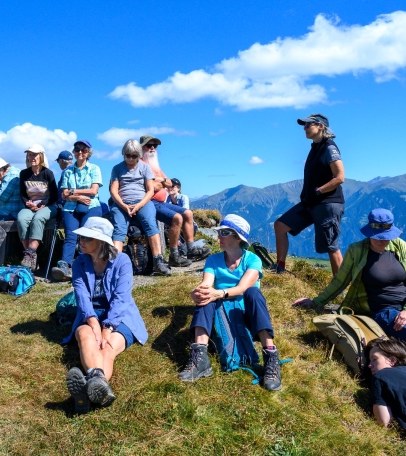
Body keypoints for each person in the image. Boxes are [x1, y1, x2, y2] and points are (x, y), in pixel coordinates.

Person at [178, 214, 282, 391]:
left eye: (225, 232)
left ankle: (271, 357)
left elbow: (242, 288)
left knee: (253, 293)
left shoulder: (253, 260)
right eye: (219, 232)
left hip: (246, 314)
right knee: (206, 297)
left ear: (238, 237)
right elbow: (206, 283)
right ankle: (200, 358)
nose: (219, 236)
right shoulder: (213, 260)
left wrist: (218, 293)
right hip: (221, 313)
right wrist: (197, 292)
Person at [64, 217, 148, 413]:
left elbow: (122, 297)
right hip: (90, 314)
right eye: (81, 237)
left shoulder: (122, 260)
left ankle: (87, 392)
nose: (81, 241)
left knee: (107, 348)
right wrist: (93, 322)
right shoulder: (79, 262)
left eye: (87, 238)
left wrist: (108, 327)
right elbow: (81, 294)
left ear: (101, 241)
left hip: (121, 316)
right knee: (86, 336)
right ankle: (97, 387)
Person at [293, 209, 406, 340]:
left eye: (385, 237)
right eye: (376, 236)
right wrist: (316, 302)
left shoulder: (401, 247)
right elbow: (340, 281)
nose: (380, 240)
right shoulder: (356, 251)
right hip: (383, 311)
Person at [274, 114, 344, 275]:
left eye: (308, 125)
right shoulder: (315, 147)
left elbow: (340, 177)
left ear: (320, 126)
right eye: (303, 126)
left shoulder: (329, 148)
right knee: (280, 226)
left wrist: (319, 190)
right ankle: (280, 268)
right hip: (310, 203)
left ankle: (339, 287)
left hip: (327, 204)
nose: (304, 128)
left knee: (331, 246)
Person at [140, 135, 211, 267]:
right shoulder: (141, 164)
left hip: (162, 202)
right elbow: (152, 187)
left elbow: (169, 182)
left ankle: (191, 249)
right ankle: (174, 255)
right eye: (148, 145)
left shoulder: (155, 165)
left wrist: (159, 180)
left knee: (188, 213)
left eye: (154, 146)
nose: (152, 148)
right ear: (141, 148)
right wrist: (161, 182)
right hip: (150, 203)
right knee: (177, 218)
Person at [109, 139, 171, 276]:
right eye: (128, 156)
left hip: (142, 201)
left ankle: (158, 260)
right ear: (123, 154)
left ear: (138, 155)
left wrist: (139, 205)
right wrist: (124, 206)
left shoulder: (144, 168)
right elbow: (113, 190)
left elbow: (150, 190)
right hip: (121, 203)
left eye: (134, 156)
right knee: (119, 230)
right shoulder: (117, 169)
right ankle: (115, 265)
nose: (130, 159)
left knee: (150, 225)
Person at [52, 141, 103, 281]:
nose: (80, 152)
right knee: (70, 236)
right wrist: (79, 197)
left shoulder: (94, 168)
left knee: (85, 235)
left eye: (84, 150)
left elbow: (93, 191)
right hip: (70, 207)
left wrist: (73, 192)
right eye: (77, 149)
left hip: (91, 206)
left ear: (88, 152)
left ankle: (83, 265)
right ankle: (64, 266)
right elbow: (63, 195)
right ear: (74, 152)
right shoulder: (67, 171)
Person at [17, 144, 58, 271]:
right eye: (29, 154)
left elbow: (54, 195)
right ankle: (31, 255)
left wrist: (41, 205)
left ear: (41, 156)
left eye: (34, 154)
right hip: (30, 206)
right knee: (21, 219)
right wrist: (28, 203)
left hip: (48, 206)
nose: (32, 157)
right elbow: (23, 193)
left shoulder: (48, 173)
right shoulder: (24, 174)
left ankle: (29, 254)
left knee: (38, 218)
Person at [367, 337, 406, 430]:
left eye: (374, 359)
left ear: (392, 361)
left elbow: (383, 421)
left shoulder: (381, 375)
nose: (369, 365)